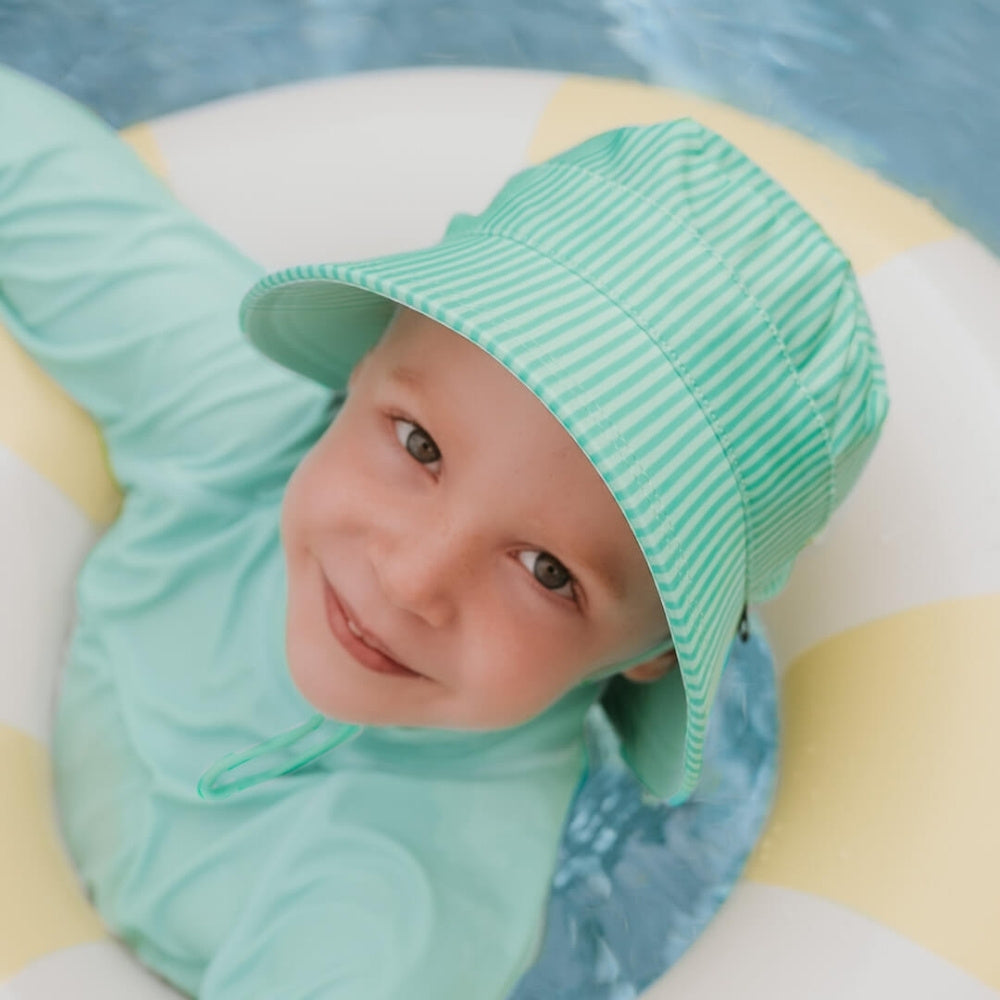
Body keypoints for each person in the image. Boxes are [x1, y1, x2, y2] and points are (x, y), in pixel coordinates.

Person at [0, 63, 889, 1000]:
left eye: (548, 571)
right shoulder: (239, 423)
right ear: (367, 356)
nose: (412, 578)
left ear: (658, 651)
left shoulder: (402, 903)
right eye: (419, 444)